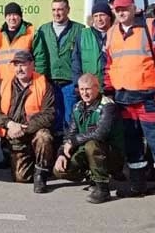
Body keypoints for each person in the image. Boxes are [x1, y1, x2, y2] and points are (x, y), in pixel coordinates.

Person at [104, 0, 155, 211]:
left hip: (149, 99)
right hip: (124, 100)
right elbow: (107, 65)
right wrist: (108, 90)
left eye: (124, 9)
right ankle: (137, 185)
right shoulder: (110, 34)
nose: (121, 13)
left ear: (133, 8)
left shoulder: (151, 27)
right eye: (117, 10)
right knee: (132, 145)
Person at [0, 51, 55, 193]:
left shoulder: (43, 84)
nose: (19, 69)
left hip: (33, 131)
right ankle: (33, 160)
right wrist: (9, 125)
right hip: (13, 134)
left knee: (44, 137)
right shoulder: (2, 84)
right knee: (21, 177)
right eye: (16, 65)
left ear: (32, 65)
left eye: (23, 65)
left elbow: (49, 114)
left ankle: (41, 174)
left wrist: (25, 129)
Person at [53, 74, 124, 204]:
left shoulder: (108, 106)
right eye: (82, 90)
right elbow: (70, 134)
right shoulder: (77, 107)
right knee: (59, 170)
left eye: (88, 89)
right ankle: (92, 175)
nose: (85, 93)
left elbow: (100, 134)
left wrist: (74, 141)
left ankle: (103, 188)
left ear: (97, 88)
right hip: (88, 151)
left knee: (92, 145)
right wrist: (62, 153)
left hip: (112, 155)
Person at [32, 0, 85, 144]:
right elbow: (39, 56)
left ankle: (69, 150)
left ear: (68, 10)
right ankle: (54, 152)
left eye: (60, 9)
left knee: (70, 118)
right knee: (52, 118)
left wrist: (78, 83)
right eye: (54, 10)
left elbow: (82, 57)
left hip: (70, 82)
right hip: (50, 81)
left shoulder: (79, 30)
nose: (57, 13)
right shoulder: (43, 30)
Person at [0, 1, 34, 169]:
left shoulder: (30, 32)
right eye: (9, 15)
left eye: (15, 14)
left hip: (23, 81)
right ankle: (6, 155)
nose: (12, 18)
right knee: (3, 117)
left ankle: (23, 153)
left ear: (20, 16)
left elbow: (36, 57)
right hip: (2, 82)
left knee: (22, 115)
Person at [72, 1, 113, 87]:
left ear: (109, 17)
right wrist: (77, 83)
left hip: (112, 86)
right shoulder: (83, 35)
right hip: (90, 87)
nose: (99, 19)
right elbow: (76, 61)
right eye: (96, 16)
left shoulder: (117, 34)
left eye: (102, 15)